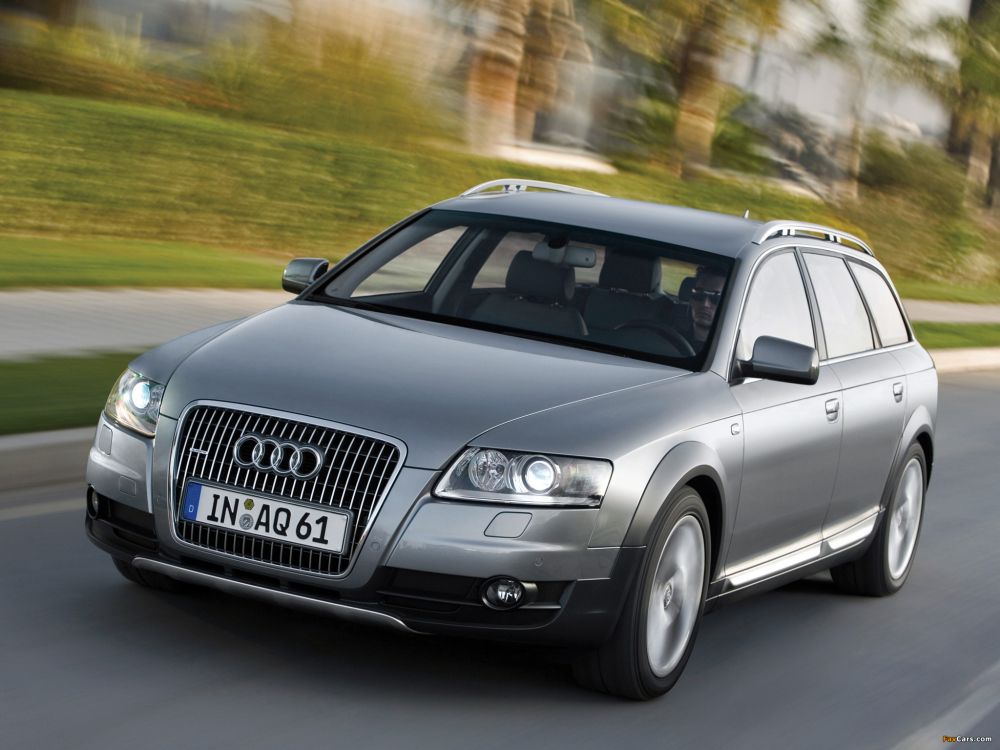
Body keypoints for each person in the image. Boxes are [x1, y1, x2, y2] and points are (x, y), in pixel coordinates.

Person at [679, 265, 726, 349]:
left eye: (716, 298)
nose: (705, 304)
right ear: (691, 299)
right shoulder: (671, 340)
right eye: (699, 295)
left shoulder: (727, 350)